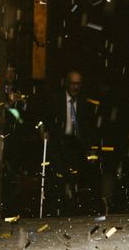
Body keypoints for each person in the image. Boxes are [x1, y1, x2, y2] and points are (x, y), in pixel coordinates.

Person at [43, 70, 96, 216]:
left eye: (78, 84)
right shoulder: (56, 99)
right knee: (60, 175)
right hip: (59, 142)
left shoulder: (84, 102)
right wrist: (45, 131)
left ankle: (74, 208)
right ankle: (58, 208)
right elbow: (46, 119)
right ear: (67, 83)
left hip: (76, 143)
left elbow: (88, 126)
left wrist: (89, 147)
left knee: (77, 176)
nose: (75, 87)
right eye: (73, 83)